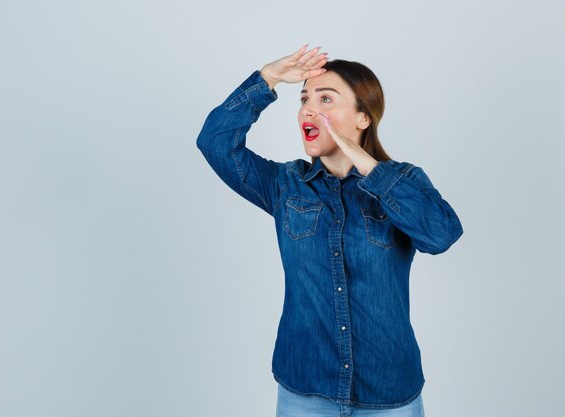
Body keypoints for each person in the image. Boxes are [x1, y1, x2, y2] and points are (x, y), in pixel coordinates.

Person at [196, 45, 463, 417]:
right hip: (305, 392)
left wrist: (368, 165)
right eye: (304, 99)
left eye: (326, 98)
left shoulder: (402, 181)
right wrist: (268, 77)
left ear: (362, 118)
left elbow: (441, 235)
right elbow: (214, 142)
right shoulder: (286, 185)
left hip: (387, 394)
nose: (308, 108)